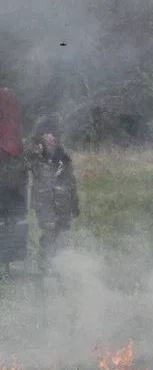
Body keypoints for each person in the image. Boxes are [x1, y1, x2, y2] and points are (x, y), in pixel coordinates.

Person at [25, 116, 79, 273]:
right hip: (44, 202)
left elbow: (71, 181)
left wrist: (74, 204)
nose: (54, 137)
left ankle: (60, 267)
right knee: (49, 231)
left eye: (57, 134)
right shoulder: (34, 154)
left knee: (62, 234)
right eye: (50, 134)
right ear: (42, 135)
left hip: (63, 202)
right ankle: (45, 266)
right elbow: (19, 164)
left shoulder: (63, 156)